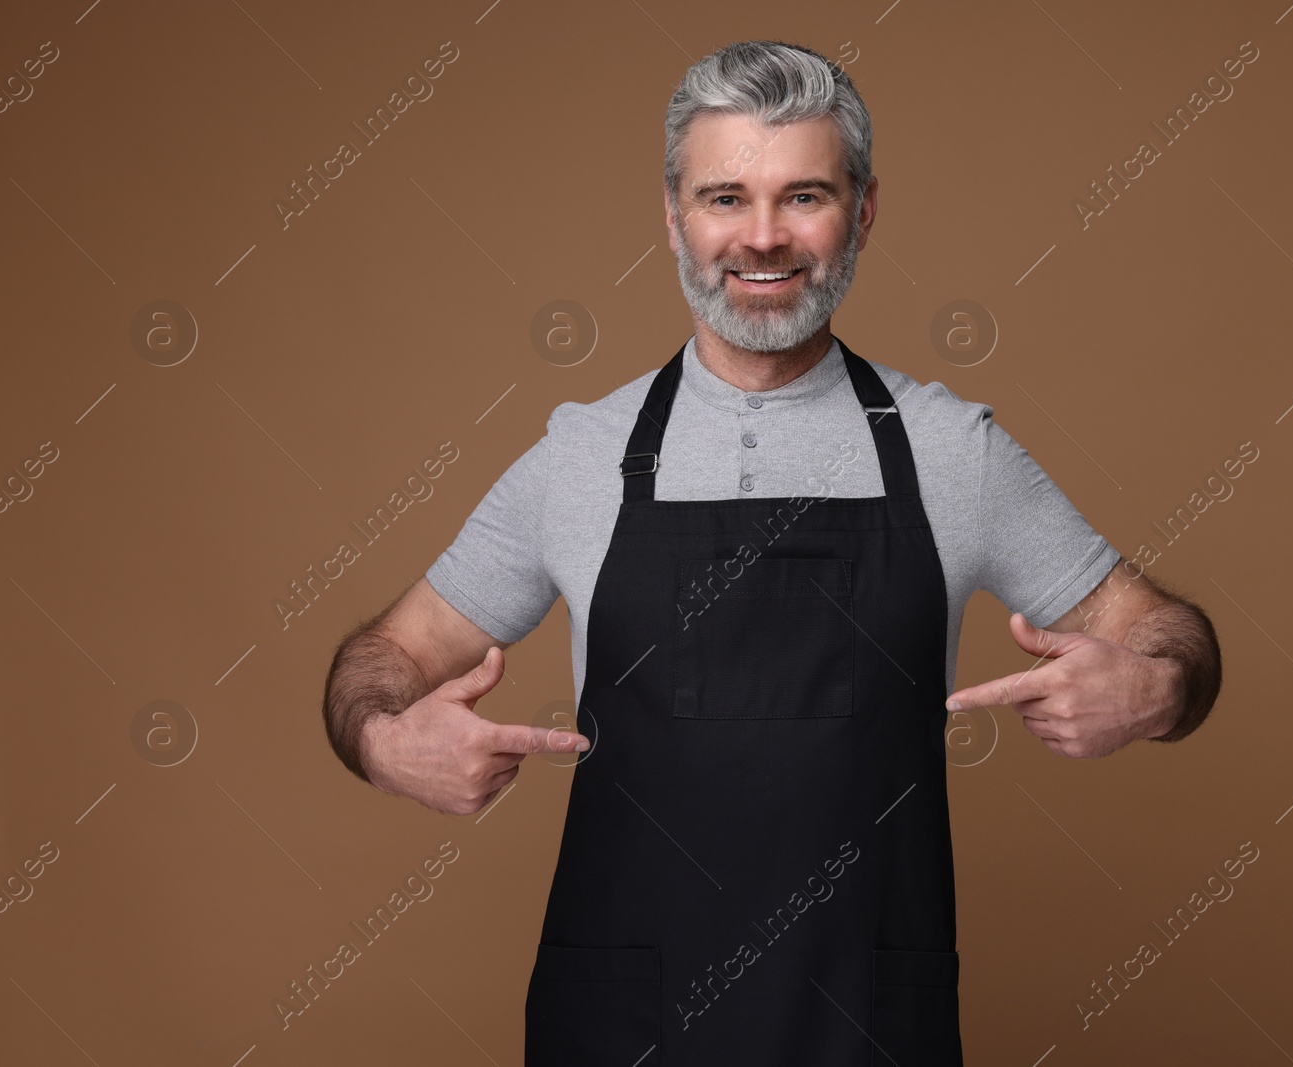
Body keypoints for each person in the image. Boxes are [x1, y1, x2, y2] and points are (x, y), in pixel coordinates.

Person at [322, 39, 1220, 1065]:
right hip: (625, 1026)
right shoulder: (584, 454)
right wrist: (386, 742)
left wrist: (1152, 687)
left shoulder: (947, 451)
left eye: (803, 196)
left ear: (863, 212)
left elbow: (1165, 632)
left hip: (866, 1023)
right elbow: (378, 663)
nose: (761, 237)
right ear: (671, 215)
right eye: (723, 197)